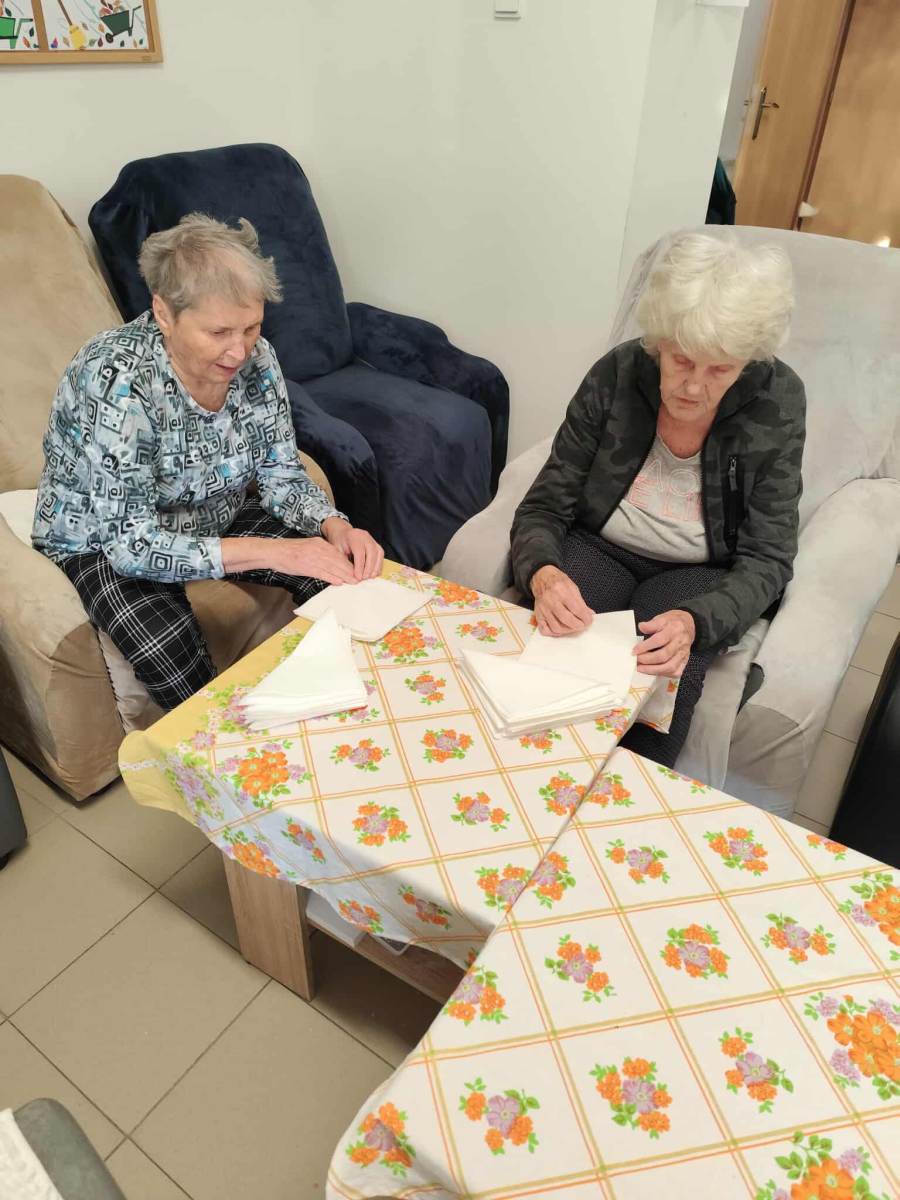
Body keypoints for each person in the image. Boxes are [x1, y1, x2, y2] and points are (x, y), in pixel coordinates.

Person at [32, 213, 383, 712]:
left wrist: (334, 525)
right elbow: (132, 544)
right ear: (164, 313)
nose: (239, 350)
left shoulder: (258, 359)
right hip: (106, 538)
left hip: (215, 508)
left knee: (347, 580)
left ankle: (358, 708)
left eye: (251, 326)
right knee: (171, 653)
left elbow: (281, 473)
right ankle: (228, 749)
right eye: (218, 332)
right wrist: (276, 552)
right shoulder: (116, 381)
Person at [510, 232, 805, 767]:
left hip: (701, 571)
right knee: (549, 673)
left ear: (747, 362)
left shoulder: (777, 400)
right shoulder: (617, 373)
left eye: (720, 369)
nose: (693, 387)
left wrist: (698, 622)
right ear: (659, 342)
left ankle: (625, 804)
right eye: (681, 361)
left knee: (660, 681)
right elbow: (544, 506)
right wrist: (544, 574)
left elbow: (769, 557)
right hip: (598, 546)